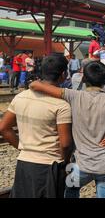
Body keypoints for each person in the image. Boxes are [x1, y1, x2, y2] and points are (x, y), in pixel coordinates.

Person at [29, 61, 105, 198]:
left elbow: (36, 85)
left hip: (79, 165)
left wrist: (34, 82)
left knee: (70, 191)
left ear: (84, 79)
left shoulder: (73, 95)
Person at [0, 54, 72, 198]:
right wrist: (65, 163)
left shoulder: (21, 97)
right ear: (63, 75)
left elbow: (3, 128)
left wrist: (22, 146)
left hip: (24, 164)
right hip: (50, 166)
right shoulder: (61, 105)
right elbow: (65, 144)